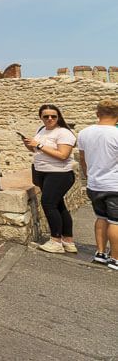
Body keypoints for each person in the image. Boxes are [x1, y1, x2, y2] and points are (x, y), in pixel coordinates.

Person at [23, 104, 77, 253]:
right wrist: (30, 144)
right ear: (41, 117)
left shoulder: (64, 133)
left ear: (58, 116)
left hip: (59, 174)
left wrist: (38, 145)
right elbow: (36, 149)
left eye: (53, 116)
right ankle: (68, 241)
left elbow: (63, 155)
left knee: (48, 203)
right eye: (46, 116)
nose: (50, 119)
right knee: (59, 205)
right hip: (44, 173)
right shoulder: (41, 130)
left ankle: (55, 241)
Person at [77, 99, 118, 270]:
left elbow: (82, 160)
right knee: (115, 222)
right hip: (114, 185)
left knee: (101, 218)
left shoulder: (84, 133)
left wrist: (89, 175)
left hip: (94, 184)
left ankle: (100, 253)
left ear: (97, 114)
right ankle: (115, 259)